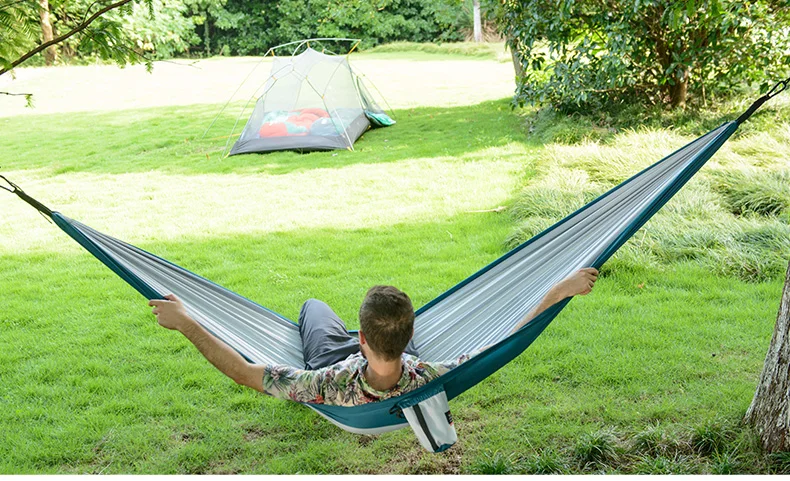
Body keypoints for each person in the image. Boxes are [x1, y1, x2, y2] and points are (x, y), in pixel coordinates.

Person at [149, 267, 599, 406]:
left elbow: (245, 373)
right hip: (400, 359)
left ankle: (332, 325)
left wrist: (188, 322)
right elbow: (504, 340)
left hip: (331, 359)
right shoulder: (429, 374)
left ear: (361, 337)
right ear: (412, 330)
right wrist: (560, 291)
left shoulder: (326, 385)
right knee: (316, 312)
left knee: (312, 307)